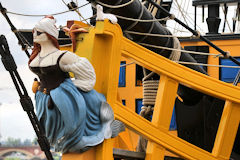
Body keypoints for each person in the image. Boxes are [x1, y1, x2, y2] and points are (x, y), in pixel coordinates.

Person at [29, 15, 124, 153]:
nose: (34, 35)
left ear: (49, 35)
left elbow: (87, 74)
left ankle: (88, 137)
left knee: (71, 128)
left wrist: (73, 87)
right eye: (34, 32)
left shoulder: (62, 56)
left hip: (61, 96)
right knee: (50, 130)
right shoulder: (37, 56)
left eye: (38, 32)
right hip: (44, 100)